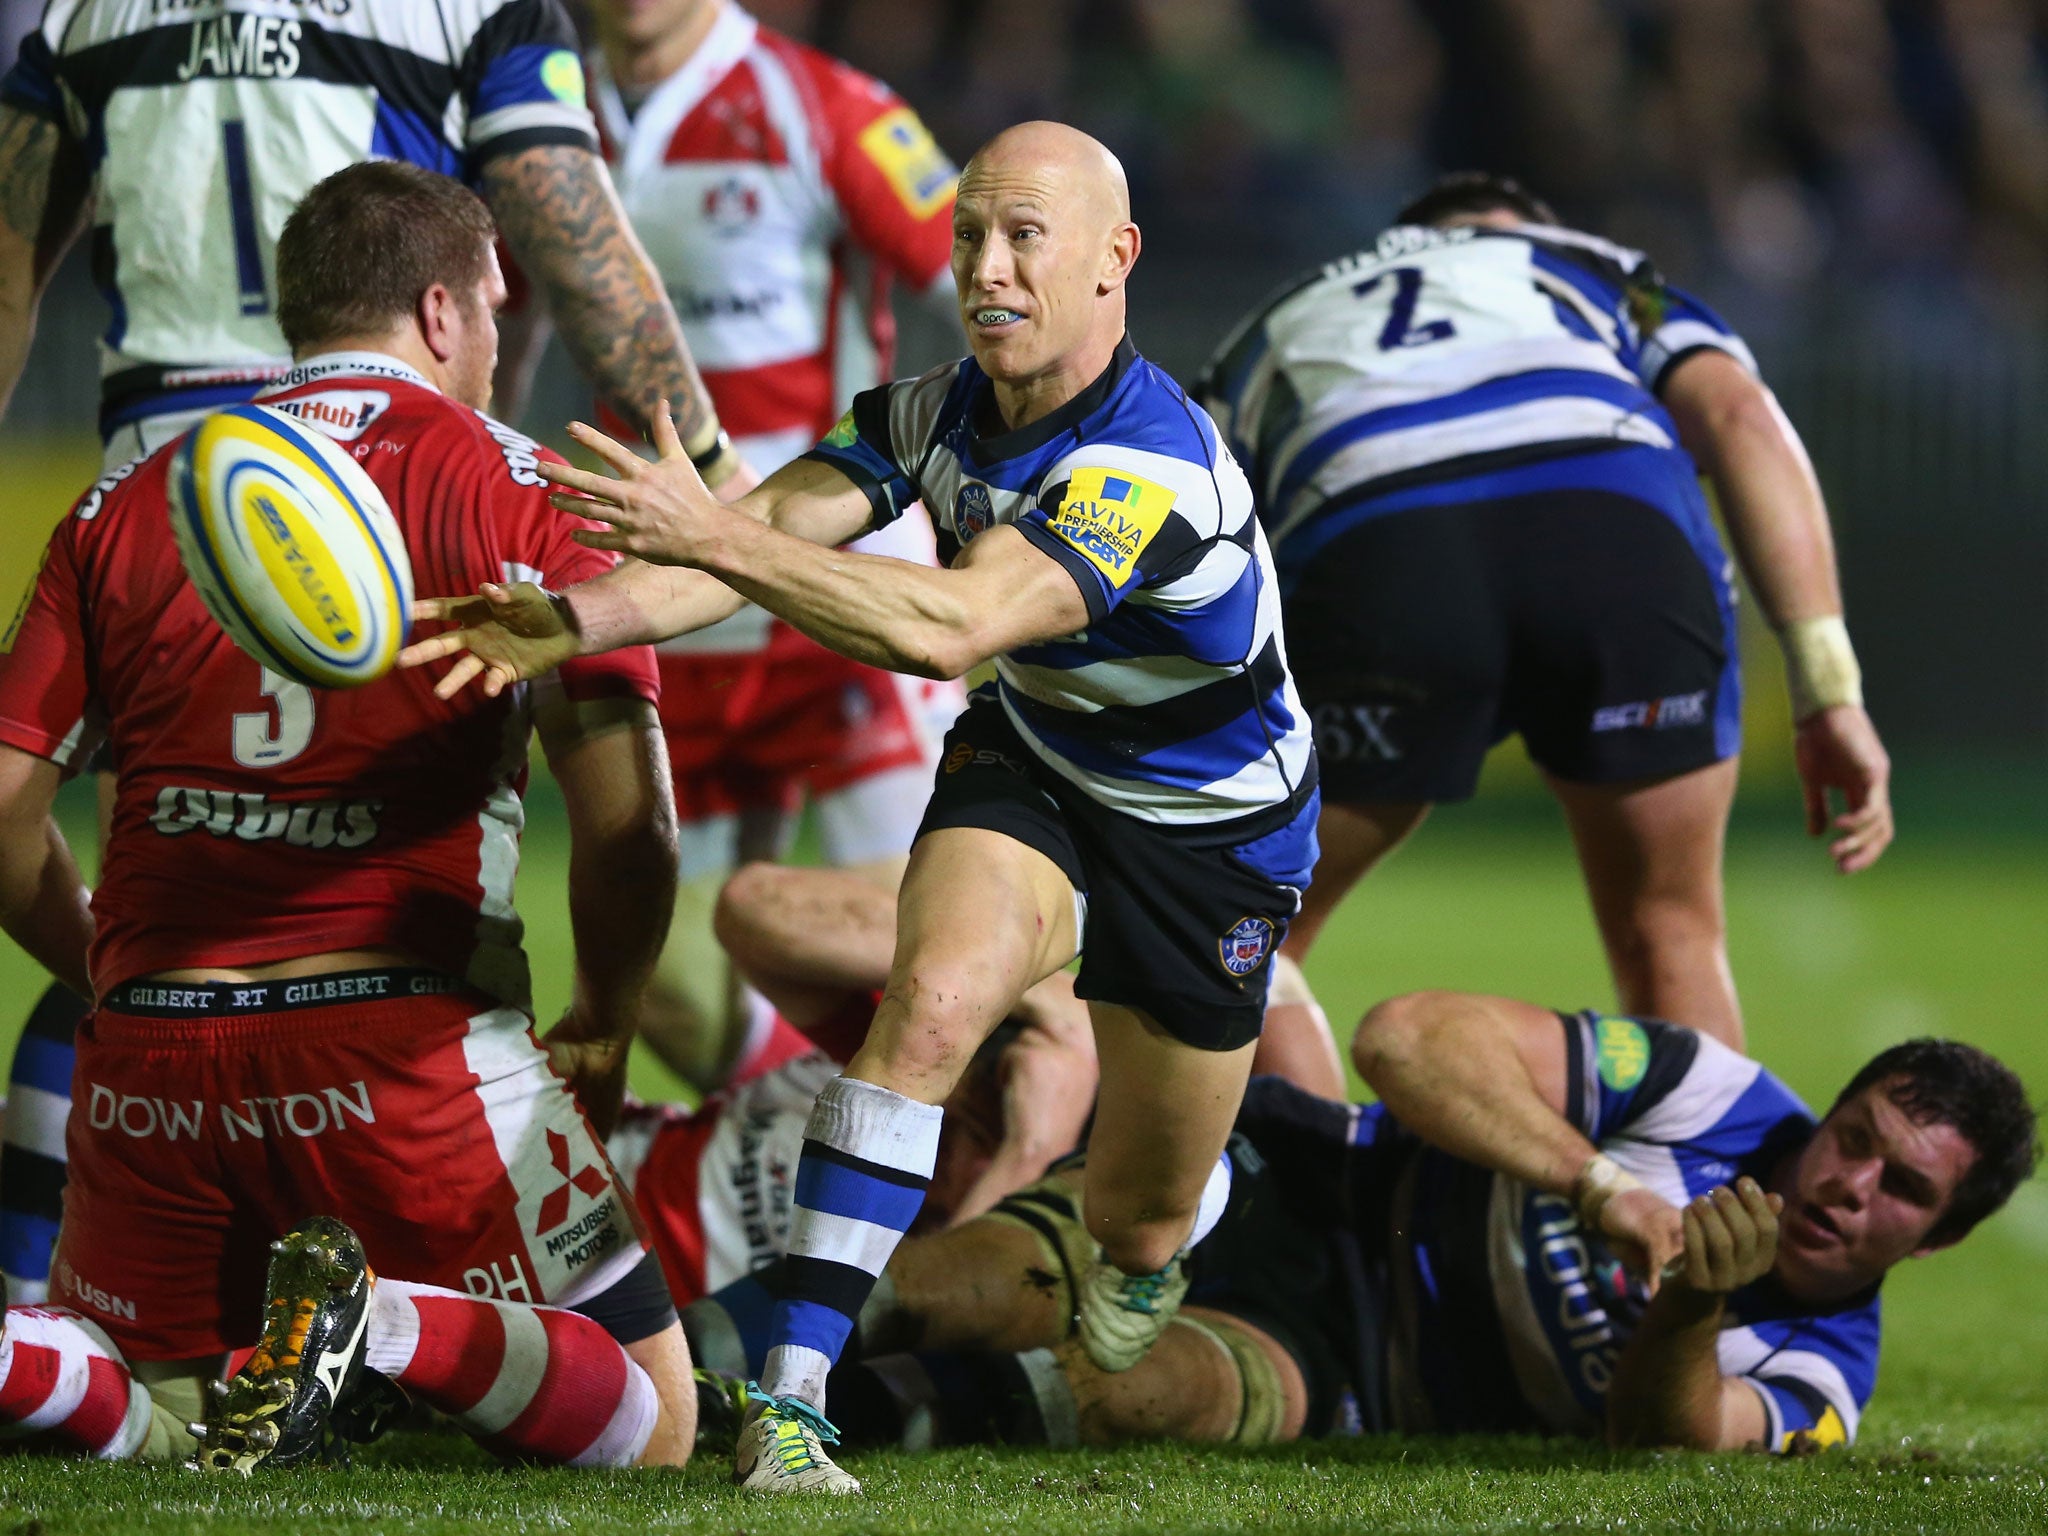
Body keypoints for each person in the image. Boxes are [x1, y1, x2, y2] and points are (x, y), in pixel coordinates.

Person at [399, 119, 1320, 1494]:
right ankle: (792, 1410)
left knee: (1136, 1224)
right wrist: (566, 620)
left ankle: (1155, 1233)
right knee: (932, 1004)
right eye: (969, 237)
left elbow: (952, 626)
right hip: (1043, 761)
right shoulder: (925, 413)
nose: (986, 268)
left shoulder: (1151, 468)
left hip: (1214, 839)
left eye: (1026, 238)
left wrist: (720, 531)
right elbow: (738, 558)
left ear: (1115, 262)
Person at [0, 0, 750, 1306]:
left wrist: (100, 963)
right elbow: (560, 218)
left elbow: (9, 258)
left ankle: (53, 1298)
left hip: (171, 483)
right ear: (461, 306)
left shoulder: (81, 5)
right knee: (382, 913)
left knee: (170, 929)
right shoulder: (464, 1)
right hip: (404, 483)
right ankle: (387, 1294)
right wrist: (712, 474)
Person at [1198, 171, 1893, 1072]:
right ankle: (1688, 1205)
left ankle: (1329, 1201)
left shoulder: (1284, 312)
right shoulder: (1590, 263)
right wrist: (1827, 688)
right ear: (1519, 228)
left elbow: (1199, 525)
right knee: (1670, 933)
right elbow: (1738, 412)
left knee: (1241, 941)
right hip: (1615, 524)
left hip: (1377, 535)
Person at [726, 993, 2034, 1458]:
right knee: (984, 1284)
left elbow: (1668, 1444)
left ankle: (806, 1422)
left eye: (1900, 1188)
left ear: (1931, 1244)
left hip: (1354, 1373)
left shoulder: (1823, 1375)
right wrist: (1595, 1182)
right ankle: (691, 1369)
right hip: (1302, 1180)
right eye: (1854, 1136)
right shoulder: (1721, 1101)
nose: (1847, 1180)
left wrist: (1690, 1310)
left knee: (1147, 1396)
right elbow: (1408, 1039)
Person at [507, 0, 971, 1091]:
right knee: (669, 980)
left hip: (840, 586)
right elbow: (499, 316)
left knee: (937, 939)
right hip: (676, 597)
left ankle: (991, 1181)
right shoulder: (532, 117)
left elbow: (994, 286)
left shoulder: (826, 110)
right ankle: (793, 1156)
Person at [607, 860, 1097, 1307]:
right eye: (974, 1108)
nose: (950, 1137)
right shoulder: (918, 1065)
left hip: (628, 1330)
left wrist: (1030, 1151)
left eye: (991, 1141)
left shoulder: (1046, 1268)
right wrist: (1023, 991)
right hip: (592, 1165)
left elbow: (941, 1313)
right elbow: (754, 904)